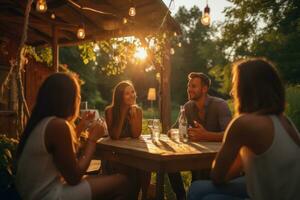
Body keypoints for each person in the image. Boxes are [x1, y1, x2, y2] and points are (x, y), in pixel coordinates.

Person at [188, 58, 300, 200]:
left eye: (235, 85)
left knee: (206, 196)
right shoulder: (284, 121)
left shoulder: (244, 123)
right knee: (197, 188)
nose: (231, 92)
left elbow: (217, 176)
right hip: (280, 189)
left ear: (245, 89)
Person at [15, 73, 130, 200]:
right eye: (78, 97)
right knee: (122, 181)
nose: (79, 101)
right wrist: (92, 139)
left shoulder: (41, 122)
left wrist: (81, 125)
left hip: (33, 193)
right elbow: (74, 177)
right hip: (48, 195)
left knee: (101, 179)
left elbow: (62, 150)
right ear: (69, 100)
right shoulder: (58, 125)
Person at [169, 72, 232, 200]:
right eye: (188, 86)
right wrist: (180, 132)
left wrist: (205, 135)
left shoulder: (220, 105)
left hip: (217, 161)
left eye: (193, 86)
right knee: (169, 162)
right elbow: (172, 130)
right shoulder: (187, 107)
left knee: (199, 188)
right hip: (195, 157)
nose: (189, 89)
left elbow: (229, 135)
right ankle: (181, 196)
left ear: (204, 89)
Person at [105, 81, 150, 200]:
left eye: (133, 92)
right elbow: (115, 135)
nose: (132, 95)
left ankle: (144, 196)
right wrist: (123, 112)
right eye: (127, 93)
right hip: (115, 154)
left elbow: (136, 134)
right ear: (120, 97)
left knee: (145, 165)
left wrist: (133, 118)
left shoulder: (137, 111)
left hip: (132, 151)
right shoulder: (109, 111)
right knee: (128, 170)